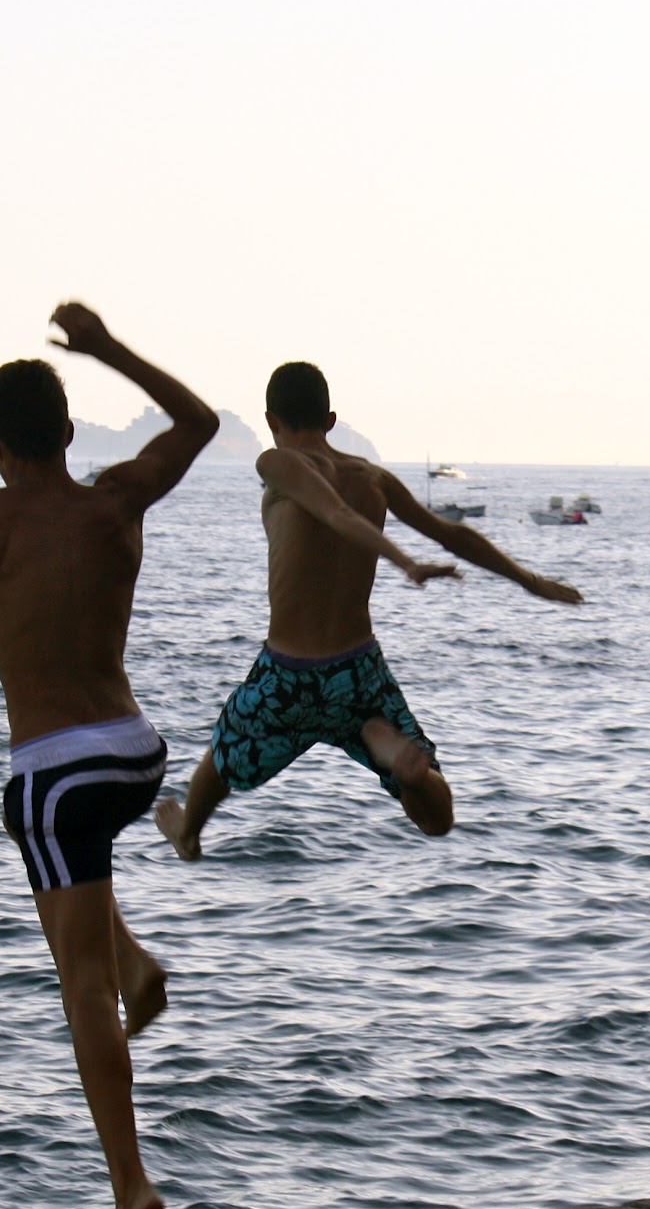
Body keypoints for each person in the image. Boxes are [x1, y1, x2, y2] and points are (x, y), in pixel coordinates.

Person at [0, 302, 219, 1209]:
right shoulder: (115, 501)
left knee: (82, 987)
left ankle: (130, 1186)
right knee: (86, 874)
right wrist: (109, 348)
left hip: (55, 772)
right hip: (135, 754)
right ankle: (140, 966)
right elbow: (199, 423)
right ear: (69, 431)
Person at [156, 360, 583, 861]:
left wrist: (404, 562)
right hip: (358, 675)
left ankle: (188, 834)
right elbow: (451, 534)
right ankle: (398, 759)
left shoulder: (276, 463)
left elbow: (333, 512)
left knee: (223, 757)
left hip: (287, 675)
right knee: (437, 821)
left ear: (271, 421)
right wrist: (529, 580)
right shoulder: (373, 478)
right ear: (330, 420)